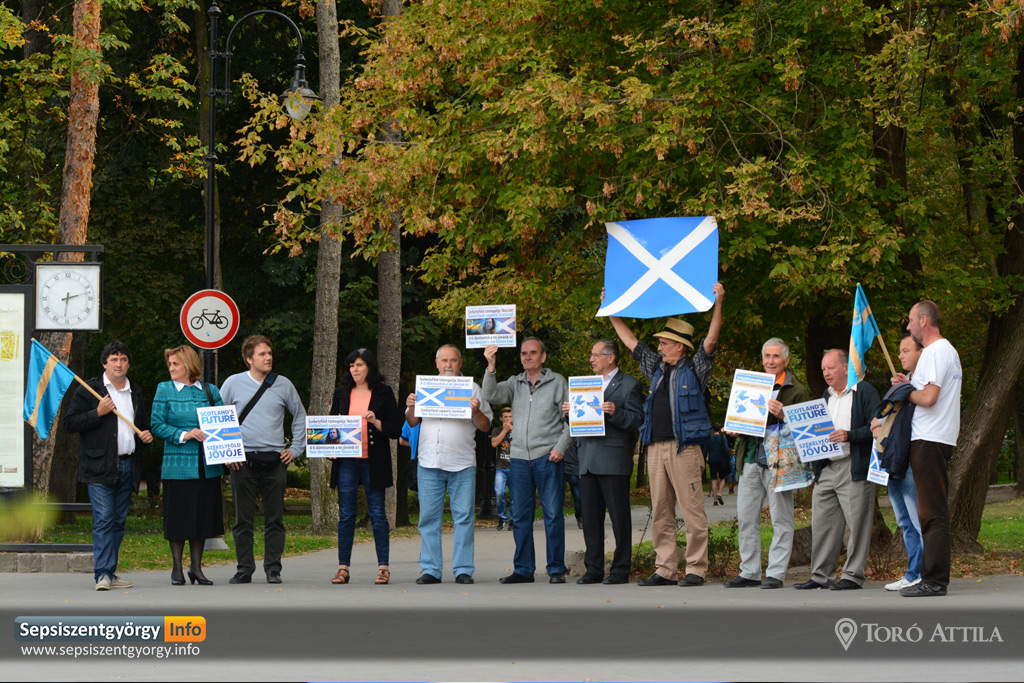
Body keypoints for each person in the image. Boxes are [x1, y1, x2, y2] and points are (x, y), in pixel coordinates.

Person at [607, 282, 724, 587]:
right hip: (656, 448)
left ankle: (696, 569)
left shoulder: (696, 368)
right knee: (660, 512)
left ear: (680, 346)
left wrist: (719, 303)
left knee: (692, 512)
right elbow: (631, 342)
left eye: (664, 343)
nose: (658, 347)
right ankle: (665, 569)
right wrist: (611, 311)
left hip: (684, 449)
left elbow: (711, 340)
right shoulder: (657, 369)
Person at [63, 340, 154, 591]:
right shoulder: (90, 389)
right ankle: (102, 573)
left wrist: (145, 437)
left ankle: (110, 571)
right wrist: (98, 412)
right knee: (104, 519)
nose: (119, 364)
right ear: (105, 363)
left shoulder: (134, 391)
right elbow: (69, 423)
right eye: (114, 359)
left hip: (127, 465)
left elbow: (140, 427)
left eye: (123, 359)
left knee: (118, 522)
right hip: (99, 466)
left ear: (128, 364)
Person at [482, 338, 572, 584]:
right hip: (519, 458)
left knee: (553, 515)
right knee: (520, 516)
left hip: (548, 457)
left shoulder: (558, 382)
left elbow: (572, 418)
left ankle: (556, 569)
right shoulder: (515, 382)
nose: (527, 357)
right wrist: (491, 365)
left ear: (543, 357)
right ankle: (523, 569)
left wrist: (561, 447)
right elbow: (490, 394)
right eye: (524, 353)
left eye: (533, 353)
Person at [220, 335, 307, 585]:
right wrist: (226, 453)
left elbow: (299, 415)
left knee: (274, 519)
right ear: (249, 359)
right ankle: (244, 569)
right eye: (262, 354)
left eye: (269, 353)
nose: (268, 357)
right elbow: (217, 417)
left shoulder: (283, 384)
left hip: (275, 461)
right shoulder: (233, 383)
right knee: (243, 520)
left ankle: (273, 569)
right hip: (242, 461)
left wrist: (296, 448)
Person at [725, 337, 810, 589]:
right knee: (746, 519)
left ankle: (776, 573)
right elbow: (745, 420)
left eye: (776, 356)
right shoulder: (752, 386)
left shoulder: (797, 390)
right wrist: (735, 428)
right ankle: (749, 572)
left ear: (786, 360)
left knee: (781, 519)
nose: (771, 361)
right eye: (767, 356)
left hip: (780, 462)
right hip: (751, 458)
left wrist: (785, 414)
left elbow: (807, 429)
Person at [793, 349, 881, 590]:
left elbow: (879, 425)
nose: (826, 373)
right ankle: (820, 576)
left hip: (853, 465)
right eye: (823, 369)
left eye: (830, 368)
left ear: (845, 367)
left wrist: (849, 435)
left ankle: (852, 576)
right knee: (822, 524)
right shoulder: (826, 395)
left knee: (857, 524)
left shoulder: (864, 391)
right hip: (827, 467)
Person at [405, 344, 492, 585]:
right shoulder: (426, 386)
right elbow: (412, 422)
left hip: (462, 463)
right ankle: (431, 570)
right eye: (444, 360)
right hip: (429, 462)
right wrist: (411, 407)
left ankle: (463, 569)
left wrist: (476, 412)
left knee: (463, 518)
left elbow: (485, 426)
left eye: (453, 360)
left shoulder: (472, 388)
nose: (448, 365)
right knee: (428, 519)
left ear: (460, 362)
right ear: (436, 364)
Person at [893, 300, 962, 597]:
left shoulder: (935, 351)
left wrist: (905, 391)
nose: (908, 326)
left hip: (929, 439)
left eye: (910, 320)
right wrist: (909, 384)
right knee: (931, 511)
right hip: (935, 437)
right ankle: (932, 577)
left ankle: (934, 580)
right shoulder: (946, 351)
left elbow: (929, 398)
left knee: (932, 513)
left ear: (923, 321)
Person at [562, 339, 644, 585]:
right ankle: (594, 569)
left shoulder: (629, 384)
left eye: (595, 355)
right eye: (591, 355)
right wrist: (570, 414)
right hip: (587, 459)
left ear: (611, 357)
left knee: (619, 519)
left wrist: (616, 412)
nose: (591, 359)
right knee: (590, 519)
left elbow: (637, 420)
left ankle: (620, 569)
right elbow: (579, 424)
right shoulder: (586, 385)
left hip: (613, 460)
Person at [150, 345, 225, 586]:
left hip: (207, 465)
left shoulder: (210, 390)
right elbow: (156, 424)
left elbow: (224, 424)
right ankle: (176, 568)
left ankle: (197, 568)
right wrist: (185, 434)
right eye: (170, 364)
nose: (171, 368)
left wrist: (227, 450)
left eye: (176, 364)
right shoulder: (164, 389)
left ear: (189, 365)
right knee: (179, 516)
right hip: (177, 465)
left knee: (201, 517)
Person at [328, 348, 402, 586]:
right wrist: (328, 448)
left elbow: (395, 429)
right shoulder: (341, 393)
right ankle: (343, 567)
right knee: (346, 515)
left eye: (359, 365)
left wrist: (376, 421)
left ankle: (383, 568)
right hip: (346, 461)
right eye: (351, 365)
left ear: (370, 367)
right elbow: (330, 428)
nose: (355, 369)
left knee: (377, 514)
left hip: (374, 461)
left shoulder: (383, 392)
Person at [880, 332, 925, 591]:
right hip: (894, 458)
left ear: (921, 352)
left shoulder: (924, 383)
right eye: (899, 351)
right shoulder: (905, 383)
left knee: (918, 521)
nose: (900, 356)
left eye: (906, 351)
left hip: (911, 458)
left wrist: (908, 387)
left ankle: (926, 575)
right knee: (904, 521)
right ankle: (912, 574)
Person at [490, 407, 514, 530]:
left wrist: (512, 430)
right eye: (505, 417)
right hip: (501, 468)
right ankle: (502, 517)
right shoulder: (497, 430)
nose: (508, 419)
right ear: (500, 418)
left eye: (510, 417)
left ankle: (513, 519)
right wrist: (505, 430)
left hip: (515, 468)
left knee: (515, 496)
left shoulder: (517, 429)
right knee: (499, 493)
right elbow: (494, 443)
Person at [704, 425, 730, 506]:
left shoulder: (708, 438)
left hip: (712, 460)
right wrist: (728, 457)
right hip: (721, 460)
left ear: (713, 429)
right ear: (719, 429)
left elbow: (705, 450)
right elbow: (726, 449)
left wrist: (704, 459)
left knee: (713, 479)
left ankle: (715, 500)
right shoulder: (723, 437)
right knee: (722, 478)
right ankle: (720, 493)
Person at [563, 442, 583, 529]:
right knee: (556, 498)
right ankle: (558, 520)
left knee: (579, 498)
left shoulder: (577, 435)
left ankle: (580, 517)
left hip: (575, 469)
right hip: (560, 467)